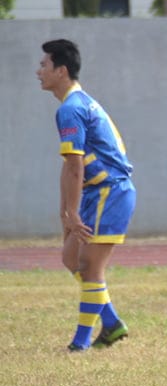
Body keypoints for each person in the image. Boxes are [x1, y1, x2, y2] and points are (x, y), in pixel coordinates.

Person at [38, 39, 137, 351]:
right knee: (71, 258)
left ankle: (79, 345)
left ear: (61, 70)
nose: (38, 71)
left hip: (111, 192)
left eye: (44, 65)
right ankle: (111, 323)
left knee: (90, 265)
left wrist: (73, 212)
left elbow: (76, 166)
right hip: (100, 192)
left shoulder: (71, 109)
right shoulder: (77, 104)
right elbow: (70, 166)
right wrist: (65, 211)